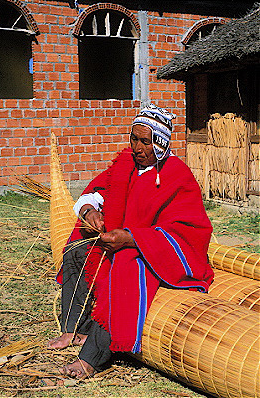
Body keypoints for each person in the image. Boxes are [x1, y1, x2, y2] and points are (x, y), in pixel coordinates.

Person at [47, 104, 214, 379]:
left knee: (125, 268)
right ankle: (74, 328)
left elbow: (187, 231)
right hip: (119, 240)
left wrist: (132, 238)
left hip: (155, 253)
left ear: (160, 143)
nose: (137, 147)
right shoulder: (126, 163)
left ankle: (91, 358)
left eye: (145, 142)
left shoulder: (177, 176)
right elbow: (97, 191)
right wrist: (91, 213)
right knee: (77, 249)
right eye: (133, 139)